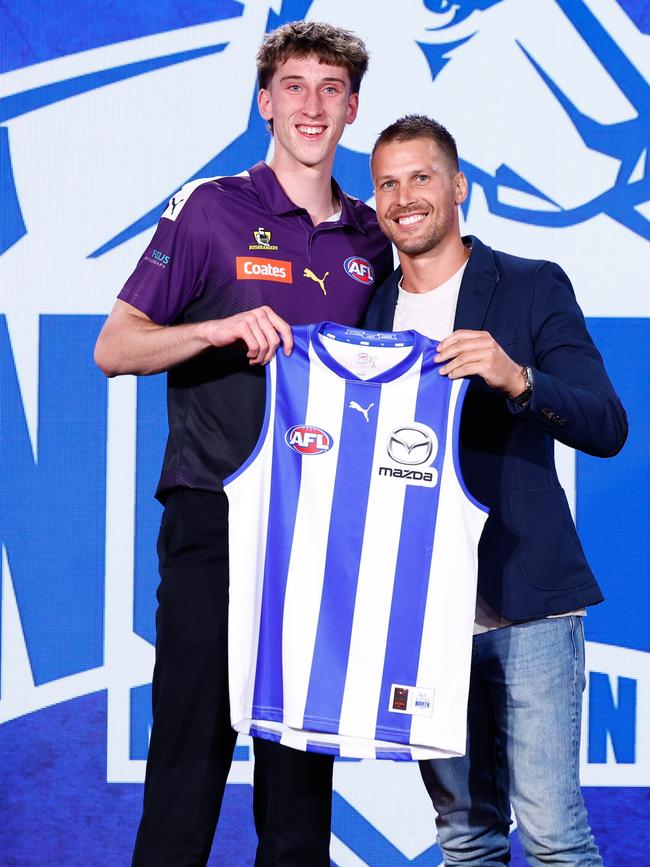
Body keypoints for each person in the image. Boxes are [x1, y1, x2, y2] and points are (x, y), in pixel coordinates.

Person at [94, 21, 393, 867]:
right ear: (265, 103)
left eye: (330, 89)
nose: (312, 104)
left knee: (300, 794)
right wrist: (218, 329)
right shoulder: (211, 207)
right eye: (294, 86)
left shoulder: (373, 241)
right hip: (215, 519)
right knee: (188, 767)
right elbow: (115, 348)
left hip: (320, 533)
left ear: (352, 108)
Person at [364, 114, 627, 865]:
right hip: (423, 617)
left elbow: (607, 423)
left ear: (459, 188)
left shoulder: (531, 284)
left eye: (421, 177)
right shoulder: (373, 311)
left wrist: (517, 377)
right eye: (387, 181)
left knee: (551, 833)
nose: (404, 196)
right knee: (465, 836)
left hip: (528, 604)